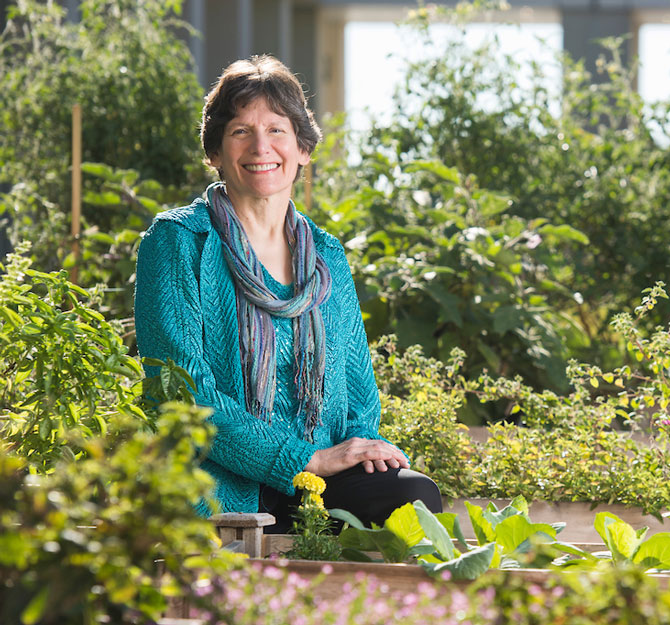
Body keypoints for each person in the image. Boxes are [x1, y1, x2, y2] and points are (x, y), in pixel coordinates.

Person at [135, 55, 442, 533]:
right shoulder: (176, 242)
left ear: (302, 149)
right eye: (240, 131)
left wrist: (362, 447)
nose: (262, 146)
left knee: (412, 497)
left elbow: (359, 392)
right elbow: (182, 392)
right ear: (215, 151)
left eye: (277, 130)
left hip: (318, 479)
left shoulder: (327, 256)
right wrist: (306, 459)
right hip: (221, 478)